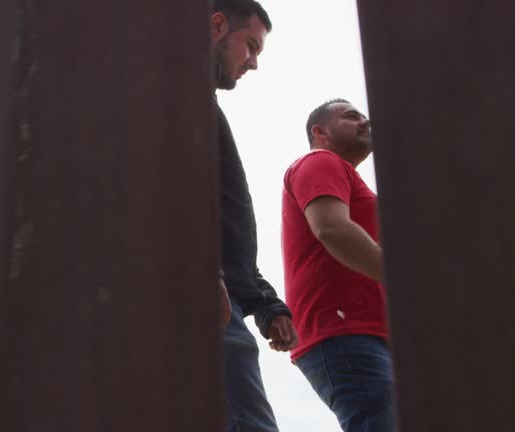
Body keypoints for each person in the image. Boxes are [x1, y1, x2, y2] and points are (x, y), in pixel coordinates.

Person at [210, 2, 298, 431]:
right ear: (218, 26)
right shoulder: (174, 105)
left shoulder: (203, 112)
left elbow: (227, 232)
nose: (254, 63)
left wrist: (266, 302)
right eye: (251, 46)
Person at [281, 99, 393, 432]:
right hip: (344, 330)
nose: (364, 121)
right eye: (351, 116)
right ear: (320, 132)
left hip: (364, 333)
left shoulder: (350, 183)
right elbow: (332, 229)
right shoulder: (321, 161)